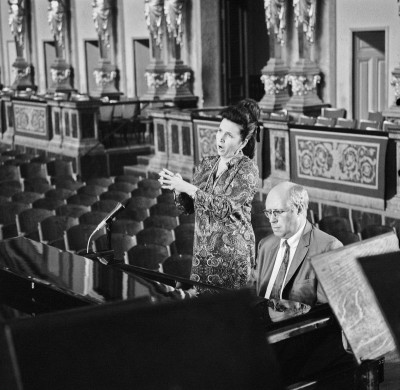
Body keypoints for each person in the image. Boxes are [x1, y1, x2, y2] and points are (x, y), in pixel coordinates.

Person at [158, 98, 261, 293]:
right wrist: (179, 189)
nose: (220, 138)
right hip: (203, 256)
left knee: (229, 316)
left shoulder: (247, 169)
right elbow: (188, 208)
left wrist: (189, 188)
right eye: (219, 131)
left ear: (243, 141)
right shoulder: (206, 164)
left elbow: (224, 208)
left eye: (229, 135)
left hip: (232, 258)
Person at [251, 181, 343, 308]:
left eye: (278, 212)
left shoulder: (328, 248)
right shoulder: (265, 245)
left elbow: (329, 312)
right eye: (269, 212)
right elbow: (256, 293)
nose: (272, 219)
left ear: (299, 209)